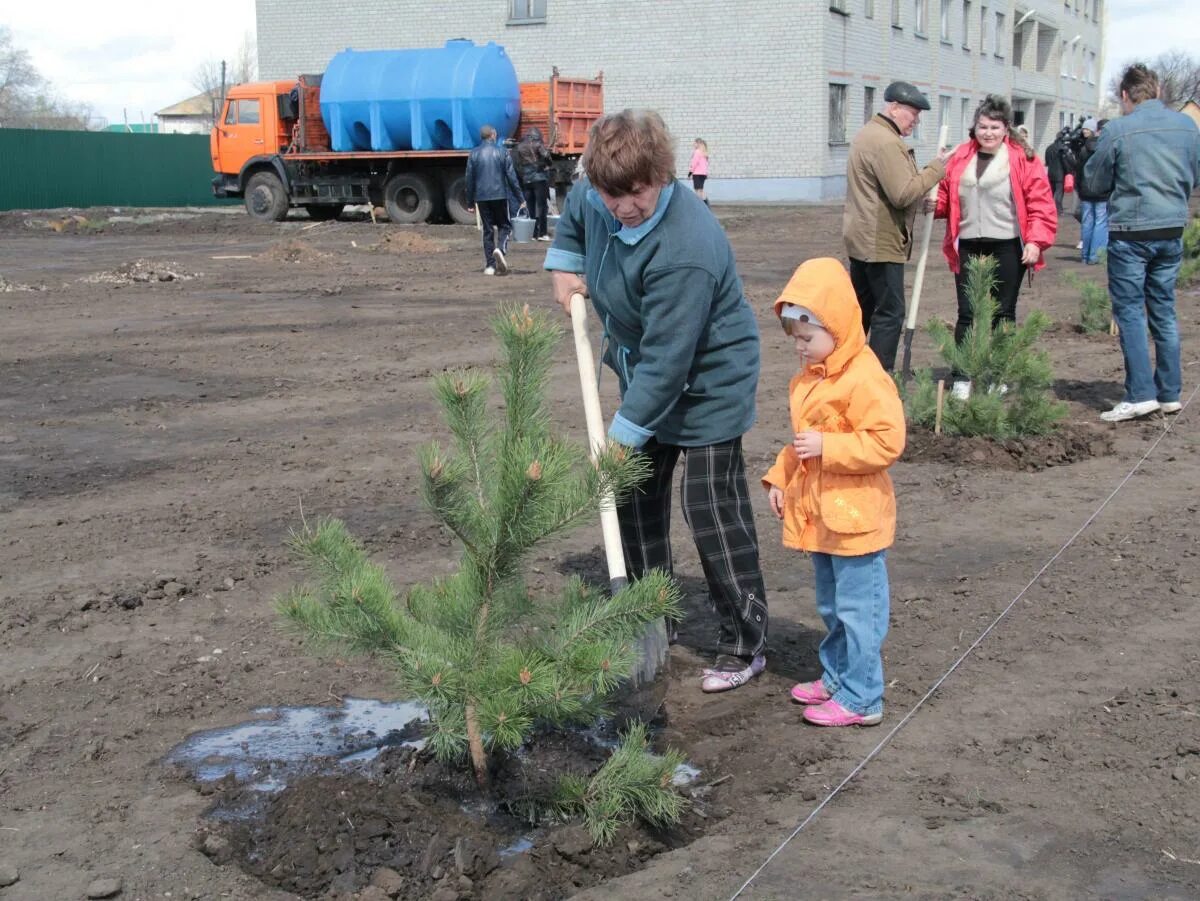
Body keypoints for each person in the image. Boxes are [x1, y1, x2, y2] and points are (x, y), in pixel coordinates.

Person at [544, 109, 768, 693]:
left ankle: (745, 642)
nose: (622, 207)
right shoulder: (597, 195)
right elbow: (573, 220)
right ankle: (650, 617)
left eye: (636, 193)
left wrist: (618, 436)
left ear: (663, 175)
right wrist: (565, 266)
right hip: (646, 371)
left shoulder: (686, 247)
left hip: (708, 380)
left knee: (710, 508)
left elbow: (672, 360)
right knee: (634, 498)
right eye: (610, 193)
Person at [762, 258, 905, 727]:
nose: (800, 348)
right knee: (831, 605)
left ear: (837, 327)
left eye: (807, 338)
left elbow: (886, 440)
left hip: (856, 519)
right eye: (796, 340)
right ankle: (837, 675)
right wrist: (781, 478)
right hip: (824, 518)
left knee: (859, 609)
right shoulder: (812, 379)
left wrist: (831, 446)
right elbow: (803, 444)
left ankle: (863, 697)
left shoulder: (864, 377)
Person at [1084, 63, 1200, 422]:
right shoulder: (1186, 126)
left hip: (1132, 233)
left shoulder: (1118, 129)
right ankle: (1169, 393)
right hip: (1171, 229)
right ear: (1158, 89)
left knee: (1131, 311)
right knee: (1163, 309)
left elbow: (1095, 180)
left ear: (1124, 95)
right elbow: (1195, 174)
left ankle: (1140, 394)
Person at [929, 94, 1057, 400]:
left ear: (1006, 128)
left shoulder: (1023, 159)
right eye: (982, 126)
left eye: (995, 127)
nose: (988, 133)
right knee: (967, 313)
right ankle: (962, 376)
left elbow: (1041, 204)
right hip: (969, 245)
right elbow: (946, 197)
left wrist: (1036, 242)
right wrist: (933, 203)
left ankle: (997, 374)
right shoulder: (960, 156)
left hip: (1008, 246)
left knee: (1003, 314)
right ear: (974, 127)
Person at [844, 80, 949, 372]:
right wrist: (935, 169)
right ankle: (878, 379)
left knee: (860, 311)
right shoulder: (887, 142)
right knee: (889, 312)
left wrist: (919, 200)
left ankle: (845, 368)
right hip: (880, 241)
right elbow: (901, 193)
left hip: (863, 238)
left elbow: (882, 192)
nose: (916, 120)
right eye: (912, 113)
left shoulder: (869, 134)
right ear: (893, 107)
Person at [465, 124, 523, 275]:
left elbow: (469, 179)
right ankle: (500, 250)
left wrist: (470, 202)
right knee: (505, 226)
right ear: (493, 135)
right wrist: (520, 197)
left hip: (481, 197)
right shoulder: (502, 152)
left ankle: (490, 266)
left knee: (488, 230)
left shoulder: (474, 154)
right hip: (499, 195)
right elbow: (511, 177)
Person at [1074, 117, 1109, 265]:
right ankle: (1096, 255)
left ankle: (1085, 255)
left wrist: (1079, 188)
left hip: (1086, 191)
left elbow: (1079, 171)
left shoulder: (1084, 148)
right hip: (1102, 191)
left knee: (1087, 222)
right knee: (1100, 222)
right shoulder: (1107, 148)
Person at [517, 127, 553, 241]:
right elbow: (546, 156)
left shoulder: (520, 146)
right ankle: (543, 233)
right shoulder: (538, 144)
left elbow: (518, 164)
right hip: (539, 178)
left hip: (526, 179)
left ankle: (533, 234)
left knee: (530, 206)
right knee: (542, 206)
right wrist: (547, 164)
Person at [1045, 130, 1067, 213]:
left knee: (1051, 191)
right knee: (1059, 192)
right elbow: (1065, 161)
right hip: (1060, 174)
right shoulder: (1061, 148)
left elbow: (1047, 161)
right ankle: (1058, 209)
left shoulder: (1049, 148)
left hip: (1051, 173)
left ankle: (1049, 208)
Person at [688, 138, 710, 205]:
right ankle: (705, 203)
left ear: (698, 144)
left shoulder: (697, 152)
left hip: (697, 173)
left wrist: (690, 172)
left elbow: (694, 163)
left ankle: (699, 204)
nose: (693, 145)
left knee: (697, 189)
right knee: (701, 189)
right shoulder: (704, 153)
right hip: (703, 174)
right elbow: (706, 164)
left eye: (694, 143)